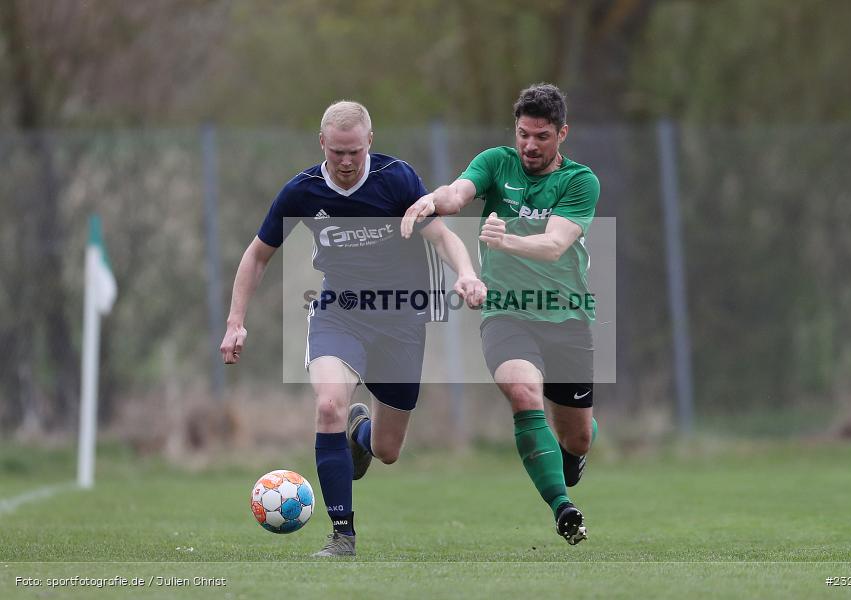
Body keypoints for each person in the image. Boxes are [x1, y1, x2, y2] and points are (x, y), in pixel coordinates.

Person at [220, 100, 485, 557]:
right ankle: (343, 534)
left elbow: (442, 236)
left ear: (370, 142)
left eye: (355, 152)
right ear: (322, 143)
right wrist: (235, 322)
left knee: (387, 450)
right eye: (337, 152)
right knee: (328, 406)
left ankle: (360, 434)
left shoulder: (396, 179)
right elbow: (257, 255)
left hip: (400, 321)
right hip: (338, 314)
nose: (346, 162)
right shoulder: (302, 191)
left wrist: (466, 273)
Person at [402, 83, 600, 545]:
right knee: (523, 392)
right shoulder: (496, 162)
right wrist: (432, 200)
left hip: (566, 316)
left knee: (576, 439)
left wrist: (503, 239)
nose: (530, 145)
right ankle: (563, 508)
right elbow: (458, 193)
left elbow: (554, 245)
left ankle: (574, 452)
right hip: (506, 312)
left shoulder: (580, 181)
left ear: (562, 134)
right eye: (523, 134)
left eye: (542, 136)